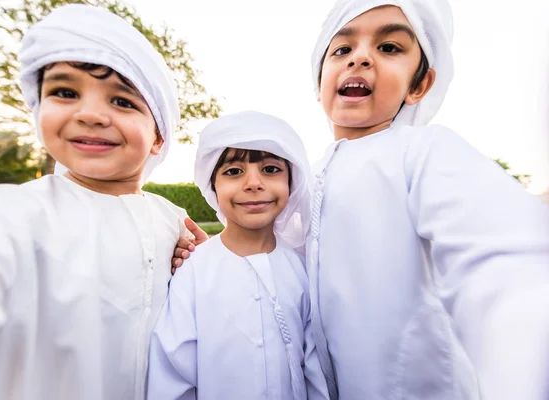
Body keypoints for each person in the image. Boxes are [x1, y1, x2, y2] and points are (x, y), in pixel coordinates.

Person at [175, 1, 549, 399]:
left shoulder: (422, 153)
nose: (361, 58)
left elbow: (503, 260)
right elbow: (280, 264)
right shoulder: (304, 177)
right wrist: (219, 259)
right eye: (341, 50)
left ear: (419, 85)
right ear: (318, 83)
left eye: (389, 47)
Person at [0, 5, 189, 399]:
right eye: (65, 92)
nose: (91, 114)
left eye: (123, 101)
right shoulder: (7, 216)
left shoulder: (173, 220)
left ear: (159, 135)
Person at [148, 111, 329, 399]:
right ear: (213, 186)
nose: (253, 183)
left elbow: (317, 371)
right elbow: (172, 372)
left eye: (270, 169)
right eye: (233, 171)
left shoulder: (302, 269)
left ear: (292, 183)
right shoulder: (193, 270)